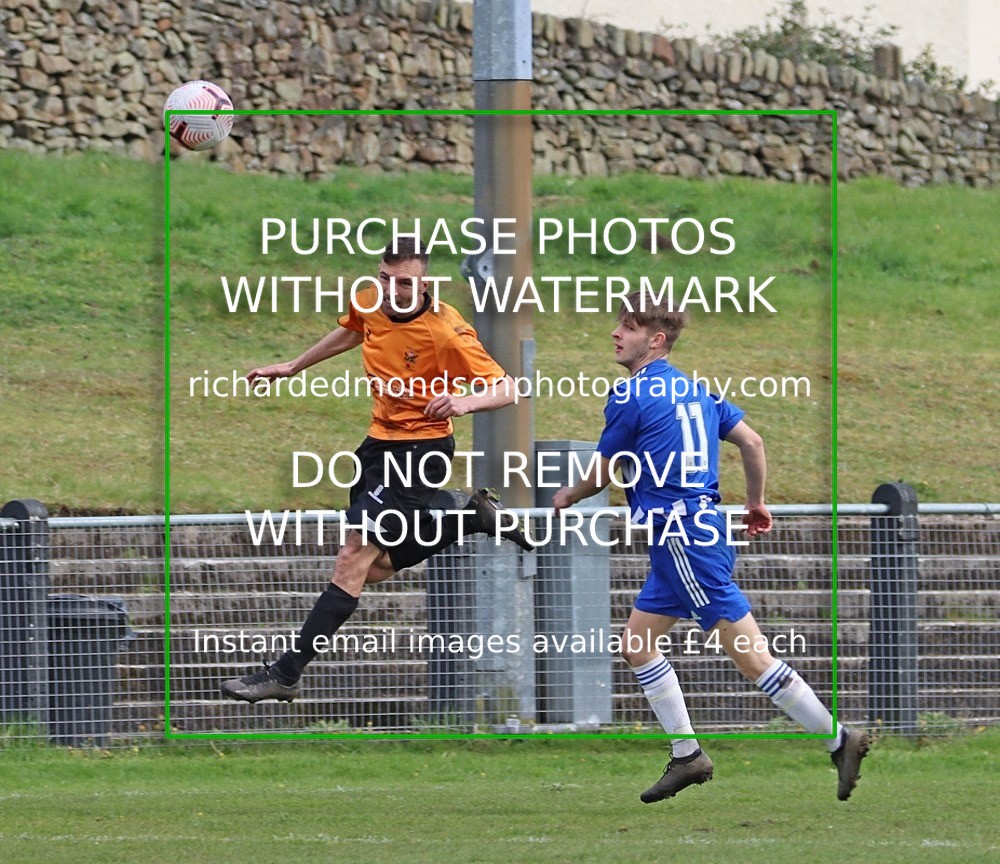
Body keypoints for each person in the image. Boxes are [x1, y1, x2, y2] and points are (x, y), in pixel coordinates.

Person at [552, 291, 870, 803]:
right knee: (637, 642)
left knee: (752, 658)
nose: (615, 333)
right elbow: (753, 442)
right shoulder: (698, 392)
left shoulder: (629, 395)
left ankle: (839, 740)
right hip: (695, 533)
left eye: (628, 327)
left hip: (682, 539)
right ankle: (687, 756)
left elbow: (601, 470)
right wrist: (756, 503)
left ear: (655, 340)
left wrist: (569, 493)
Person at [221, 237, 532, 703]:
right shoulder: (371, 298)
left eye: (404, 282)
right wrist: (293, 366)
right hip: (377, 447)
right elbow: (354, 329)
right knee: (377, 568)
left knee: (352, 557)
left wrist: (465, 401)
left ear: (424, 282)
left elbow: (507, 388)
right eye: (385, 278)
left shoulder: (446, 330)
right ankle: (472, 518)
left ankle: (285, 673)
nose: (392, 290)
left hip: (420, 450)